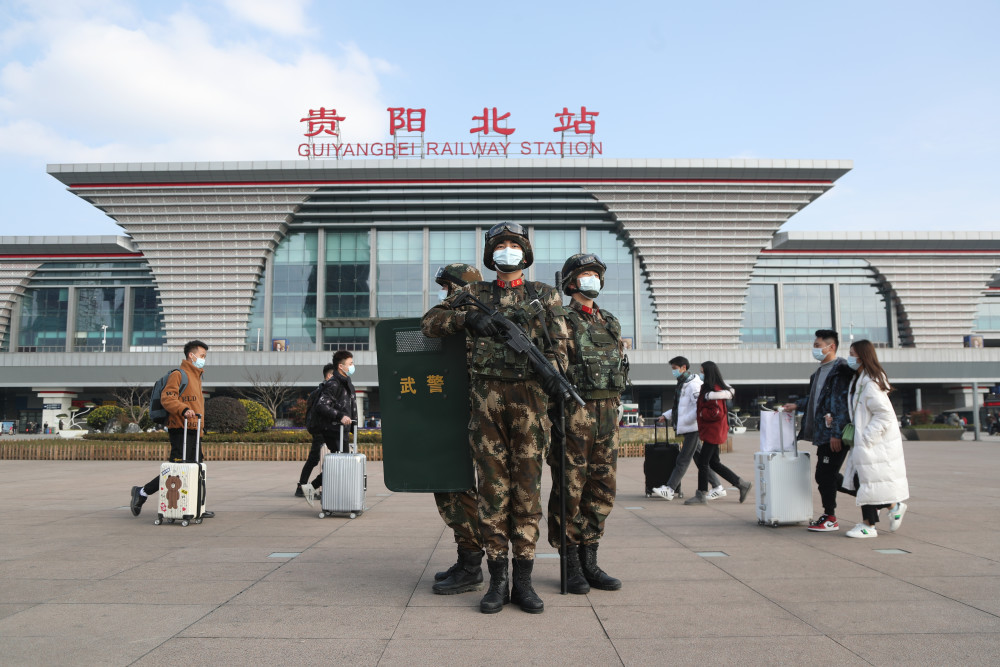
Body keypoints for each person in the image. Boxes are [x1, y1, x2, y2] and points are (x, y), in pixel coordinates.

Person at [422, 222, 569, 614]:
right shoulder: (474, 294)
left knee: (527, 495)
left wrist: (554, 375)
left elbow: (560, 344)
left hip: (530, 405)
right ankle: (497, 581)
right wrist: (467, 320)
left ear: (525, 251)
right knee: (492, 495)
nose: (507, 250)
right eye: (500, 245)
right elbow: (430, 323)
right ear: (491, 254)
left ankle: (524, 582)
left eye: (513, 244)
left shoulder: (544, 294)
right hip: (486, 404)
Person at [546, 254, 626, 595]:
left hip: (608, 412)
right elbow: (554, 369)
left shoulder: (610, 321)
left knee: (602, 487)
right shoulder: (560, 319)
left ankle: (590, 559)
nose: (592, 279)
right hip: (575, 413)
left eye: (595, 274)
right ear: (571, 282)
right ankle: (571, 563)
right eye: (585, 274)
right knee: (570, 488)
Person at [428, 262, 488, 596]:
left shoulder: (481, 315)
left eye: (446, 287)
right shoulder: (464, 317)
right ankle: (468, 560)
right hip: (463, 416)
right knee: (455, 489)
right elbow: (430, 323)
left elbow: (430, 321)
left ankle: (471, 566)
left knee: (456, 490)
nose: (444, 294)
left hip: (472, 418)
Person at [130, 340, 213, 518]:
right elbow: (167, 399)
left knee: (196, 470)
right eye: (202, 356)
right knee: (176, 470)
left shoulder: (197, 377)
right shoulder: (178, 374)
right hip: (180, 428)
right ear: (191, 355)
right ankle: (142, 492)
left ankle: (196, 508)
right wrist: (183, 409)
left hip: (194, 429)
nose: (203, 359)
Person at [781, 329, 853, 532]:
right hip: (822, 434)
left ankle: (831, 517)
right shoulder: (818, 373)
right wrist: (797, 405)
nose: (815, 349)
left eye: (817, 345)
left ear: (832, 347)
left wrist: (836, 433)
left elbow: (841, 405)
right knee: (825, 475)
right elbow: (816, 400)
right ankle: (878, 501)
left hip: (833, 435)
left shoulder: (841, 371)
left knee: (825, 475)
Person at [840, 339, 909, 538]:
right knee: (862, 482)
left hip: (873, 444)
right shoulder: (861, 380)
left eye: (852, 354)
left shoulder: (870, 384)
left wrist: (867, 438)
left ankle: (869, 526)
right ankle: (893, 506)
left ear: (862, 357)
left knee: (865, 482)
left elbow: (885, 415)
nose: (849, 358)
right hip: (867, 444)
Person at [653, 356, 723, 501]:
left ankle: (670, 489)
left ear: (683, 367)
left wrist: (685, 421)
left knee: (683, 459)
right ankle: (718, 486)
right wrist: (666, 415)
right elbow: (680, 408)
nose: (673, 371)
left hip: (693, 428)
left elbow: (698, 407)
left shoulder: (693, 385)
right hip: (689, 427)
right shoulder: (683, 384)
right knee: (700, 460)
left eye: (675, 368)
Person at [684, 361, 752, 505]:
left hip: (713, 432)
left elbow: (716, 412)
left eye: (702, 371)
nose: (700, 374)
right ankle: (742, 484)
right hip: (712, 431)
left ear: (708, 373)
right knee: (714, 463)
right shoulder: (710, 388)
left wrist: (701, 413)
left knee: (703, 463)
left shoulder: (713, 391)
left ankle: (701, 494)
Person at [301, 350, 358, 507]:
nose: (352, 366)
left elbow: (350, 407)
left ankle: (316, 488)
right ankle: (313, 487)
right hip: (333, 429)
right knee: (341, 462)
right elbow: (322, 406)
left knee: (340, 462)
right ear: (341, 366)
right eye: (350, 364)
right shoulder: (334, 383)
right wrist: (340, 416)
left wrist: (353, 426)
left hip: (341, 430)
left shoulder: (346, 382)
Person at [295, 362, 337, 498]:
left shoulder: (317, 391)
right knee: (323, 459)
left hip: (320, 429)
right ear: (329, 376)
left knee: (315, 459)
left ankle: (303, 486)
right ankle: (307, 487)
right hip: (322, 430)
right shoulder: (324, 391)